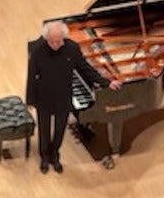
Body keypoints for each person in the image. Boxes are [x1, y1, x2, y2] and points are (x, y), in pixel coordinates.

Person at [26, 20, 122, 174]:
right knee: (44, 129)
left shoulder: (72, 48)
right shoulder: (38, 51)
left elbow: (85, 68)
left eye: (58, 41)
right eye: (52, 42)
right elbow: (32, 76)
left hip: (63, 96)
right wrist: (30, 99)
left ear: (63, 37)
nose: (56, 45)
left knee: (60, 129)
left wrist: (106, 82)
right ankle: (44, 157)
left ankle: (55, 156)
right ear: (46, 39)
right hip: (43, 96)